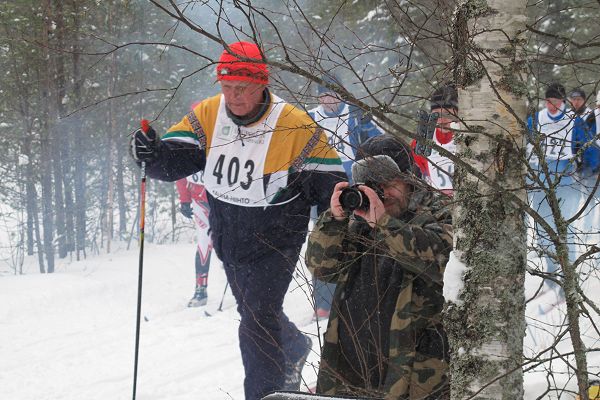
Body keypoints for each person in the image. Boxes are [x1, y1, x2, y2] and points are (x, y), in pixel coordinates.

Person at [130, 41, 346, 400]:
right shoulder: (208, 115)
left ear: (262, 83)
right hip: (229, 234)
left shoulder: (293, 124)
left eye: (242, 89)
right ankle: (292, 347)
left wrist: (340, 218)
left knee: (257, 318)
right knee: (254, 311)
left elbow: (330, 183)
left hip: (276, 238)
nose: (234, 97)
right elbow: (172, 162)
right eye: (227, 88)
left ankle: (264, 393)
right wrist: (150, 153)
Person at [306, 134, 452, 399]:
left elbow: (441, 258)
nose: (382, 194)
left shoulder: (439, 210)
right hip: (355, 366)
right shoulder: (359, 220)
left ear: (410, 179)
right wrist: (335, 219)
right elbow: (321, 267)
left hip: (414, 371)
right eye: (373, 185)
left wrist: (384, 224)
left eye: (389, 183)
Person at [307, 74, 382, 321]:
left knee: (359, 238)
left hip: (356, 187)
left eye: (333, 95)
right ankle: (324, 302)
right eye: (324, 95)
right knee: (326, 240)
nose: (329, 100)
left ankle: (359, 293)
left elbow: (378, 144)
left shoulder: (356, 114)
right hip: (324, 190)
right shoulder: (310, 118)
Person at [527, 82, 587, 291]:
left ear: (564, 102)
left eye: (557, 102)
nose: (553, 106)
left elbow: (585, 148)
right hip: (540, 183)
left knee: (565, 230)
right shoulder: (535, 120)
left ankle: (568, 279)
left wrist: (587, 168)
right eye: (549, 101)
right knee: (544, 231)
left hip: (566, 183)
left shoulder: (574, 121)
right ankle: (551, 276)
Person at [411, 85, 458, 197]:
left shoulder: (468, 136)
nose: (442, 120)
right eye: (437, 114)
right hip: (440, 204)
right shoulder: (421, 142)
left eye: (448, 114)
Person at [175, 172, 213, 307]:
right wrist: (184, 200)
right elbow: (181, 168)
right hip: (199, 200)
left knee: (228, 241)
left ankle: (240, 283)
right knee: (204, 242)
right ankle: (201, 290)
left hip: (224, 198)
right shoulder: (188, 149)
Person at [569, 88, 600, 246]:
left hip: (594, 166)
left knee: (592, 199)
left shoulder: (593, 117)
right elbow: (573, 143)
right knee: (583, 201)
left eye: (579, 99)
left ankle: (591, 233)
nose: (576, 102)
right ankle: (584, 232)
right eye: (573, 100)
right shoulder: (574, 118)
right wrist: (576, 163)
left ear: (584, 100)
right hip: (581, 166)